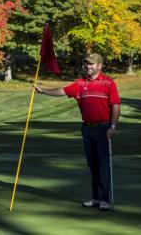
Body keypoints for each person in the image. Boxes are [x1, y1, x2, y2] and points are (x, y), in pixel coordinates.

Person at [35, 52, 120, 211]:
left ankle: (104, 199)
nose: (88, 66)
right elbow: (62, 91)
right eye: (87, 64)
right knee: (92, 165)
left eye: (91, 64)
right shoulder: (80, 84)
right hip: (87, 129)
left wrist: (113, 127)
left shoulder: (109, 83)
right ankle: (95, 198)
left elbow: (115, 105)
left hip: (103, 128)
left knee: (102, 165)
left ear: (99, 66)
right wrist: (43, 91)